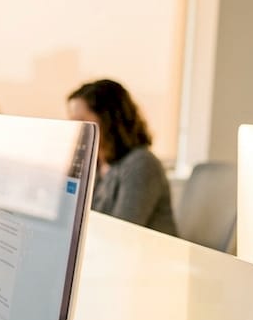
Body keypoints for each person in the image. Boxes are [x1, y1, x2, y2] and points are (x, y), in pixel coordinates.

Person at [67, 79, 177, 236]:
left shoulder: (142, 164)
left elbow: (120, 233)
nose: (75, 129)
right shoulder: (97, 164)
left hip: (149, 256)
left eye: (81, 120)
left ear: (108, 120)